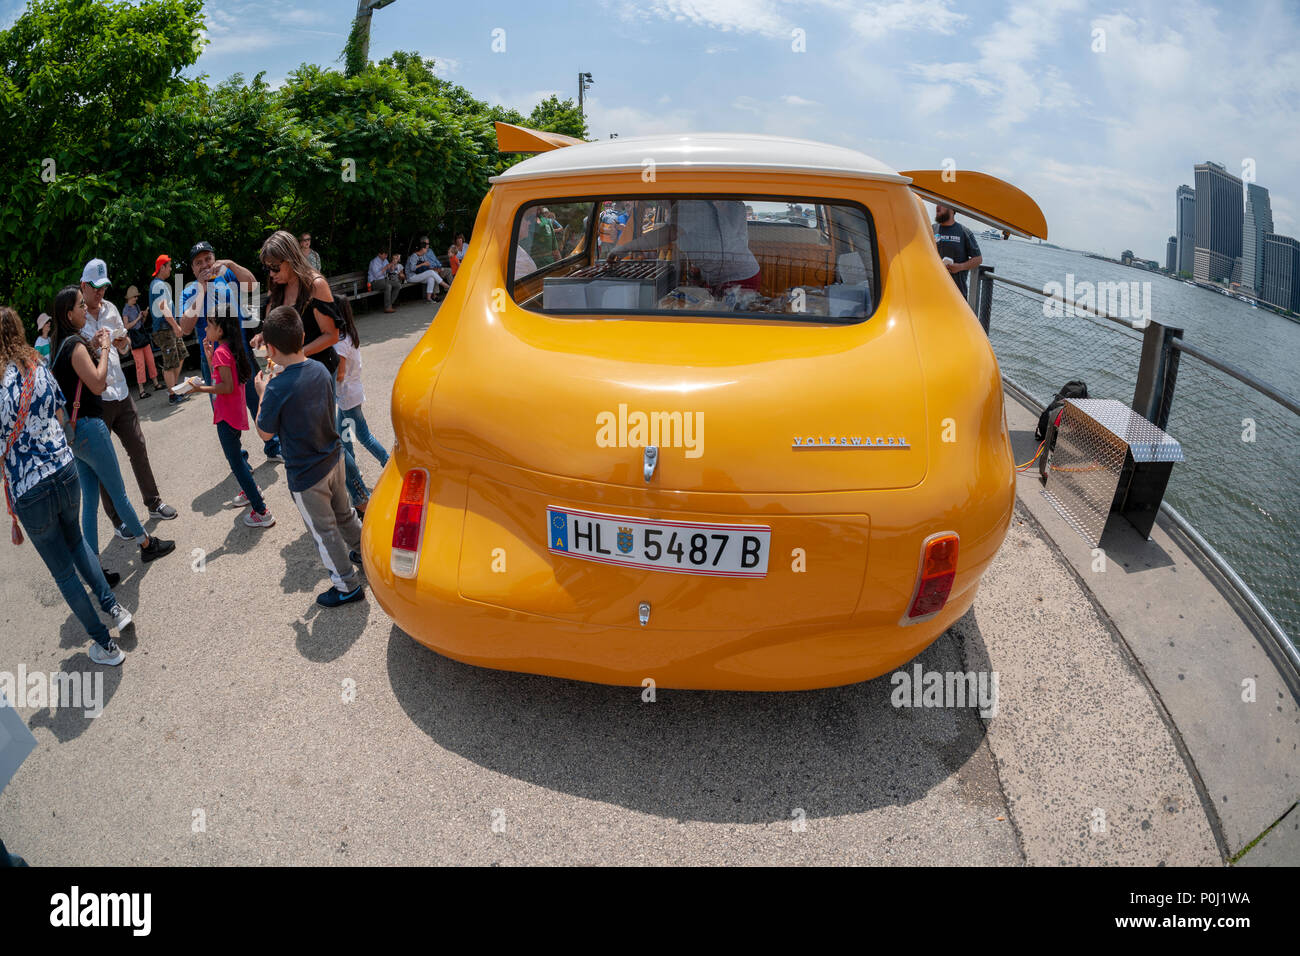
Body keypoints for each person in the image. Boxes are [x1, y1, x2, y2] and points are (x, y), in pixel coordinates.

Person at [0, 305, 132, 665]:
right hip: (64, 468)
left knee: (63, 572)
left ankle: (105, 645)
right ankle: (116, 609)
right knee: (78, 544)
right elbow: (61, 413)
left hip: (30, 490)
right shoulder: (37, 367)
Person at [49, 287, 175, 572]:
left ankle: (93, 566)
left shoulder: (60, 346)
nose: (85, 309)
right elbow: (97, 383)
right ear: (69, 314)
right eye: (81, 306)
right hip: (91, 428)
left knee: (91, 502)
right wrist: (105, 349)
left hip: (73, 433)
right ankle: (146, 544)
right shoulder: (74, 345)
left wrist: (94, 347)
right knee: (118, 491)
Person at [254, 306, 364, 608]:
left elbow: (265, 433)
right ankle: (365, 553)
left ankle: (346, 585)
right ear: (303, 337)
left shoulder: (276, 386)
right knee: (345, 514)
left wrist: (263, 391)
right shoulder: (317, 369)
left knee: (324, 531)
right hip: (334, 457)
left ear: (271, 350)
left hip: (306, 475)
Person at [78, 259, 180, 542]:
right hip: (96, 399)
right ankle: (118, 520)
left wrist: (123, 344)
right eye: (95, 288)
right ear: (84, 286)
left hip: (121, 392)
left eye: (104, 287)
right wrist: (93, 344)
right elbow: (74, 356)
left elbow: (123, 348)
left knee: (139, 447)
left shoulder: (111, 309)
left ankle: (154, 501)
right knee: (103, 464)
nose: (100, 293)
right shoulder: (76, 316)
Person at [181, 241, 282, 462]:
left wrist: (230, 264)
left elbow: (252, 284)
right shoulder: (189, 291)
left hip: (240, 350)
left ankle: (273, 447)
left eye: (208, 259)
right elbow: (185, 328)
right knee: (225, 411)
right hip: (213, 359)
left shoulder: (226, 276)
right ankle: (240, 460)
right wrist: (201, 291)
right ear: (193, 268)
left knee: (256, 398)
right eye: (198, 262)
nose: (205, 265)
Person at [183, 311, 275, 528]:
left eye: (209, 325)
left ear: (221, 329)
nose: (205, 329)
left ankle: (261, 511)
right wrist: (208, 356)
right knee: (237, 457)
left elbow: (226, 386)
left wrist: (198, 388)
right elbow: (225, 378)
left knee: (236, 462)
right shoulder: (228, 349)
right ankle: (251, 489)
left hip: (227, 416)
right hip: (234, 413)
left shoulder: (221, 352)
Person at [608, 199, 761, 294]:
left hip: (740, 277)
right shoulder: (682, 208)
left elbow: (668, 234)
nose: (658, 202)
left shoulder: (690, 205)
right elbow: (706, 241)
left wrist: (625, 247)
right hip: (719, 277)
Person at [253, 230, 341, 379]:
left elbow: (331, 336)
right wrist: (263, 335)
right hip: (287, 372)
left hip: (316, 372)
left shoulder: (315, 285)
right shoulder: (277, 284)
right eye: (267, 268)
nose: (271, 274)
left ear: (291, 260)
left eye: (274, 267)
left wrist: (295, 357)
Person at [332, 297, 388, 513]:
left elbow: (341, 373)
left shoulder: (339, 343)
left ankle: (387, 462)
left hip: (347, 396)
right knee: (345, 436)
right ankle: (353, 471)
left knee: (362, 435)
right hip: (351, 394)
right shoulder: (349, 336)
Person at [148, 254, 188, 403]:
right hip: (164, 329)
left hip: (168, 328)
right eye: (169, 266)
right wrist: (176, 325)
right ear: (162, 267)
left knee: (181, 355)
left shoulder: (159, 284)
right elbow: (163, 308)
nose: (171, 269)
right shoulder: (158, 285)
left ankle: (174, 389)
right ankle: (173, 395)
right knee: (170, 362)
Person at [933, 203, 982, 297]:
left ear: (952, 209)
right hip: (933, 291)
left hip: (957, 294)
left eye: (941, 204)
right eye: (937, 203)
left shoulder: (964, 232)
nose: (937, 206)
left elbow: (978, 259)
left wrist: (960, 266)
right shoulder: (931, 229)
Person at [121, 285, 160, 400]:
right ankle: (141, 390)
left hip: (142, 337)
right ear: (130, 297)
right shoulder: (125, 310)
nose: (136, 299)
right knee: (140, 365)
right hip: (135, 340)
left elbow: (141, 323)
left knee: (150, 361)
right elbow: (126, 326)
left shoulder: (137, 306)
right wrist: (138, 318)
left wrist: (144, 316)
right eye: (135, 297)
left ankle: (156, 383)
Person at [367, 246, 403, 314]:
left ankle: (389, 304)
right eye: (384, 254)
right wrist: (385, 267)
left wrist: (391, 267)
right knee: (388, 286)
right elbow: (376, 275)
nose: (386, 256)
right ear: (379, 254)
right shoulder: (374, 262)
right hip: (374, 282)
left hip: (383, 280)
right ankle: (387, 308)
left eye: (386, 254)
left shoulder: (385, 260)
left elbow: (389, 271)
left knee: (398, 285)